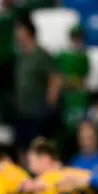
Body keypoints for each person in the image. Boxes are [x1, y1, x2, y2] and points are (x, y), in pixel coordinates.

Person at [14, 16, 62, 153]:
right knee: (22, 149)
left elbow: (56, 79)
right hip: (23, 111)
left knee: (39, 150)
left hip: (37, 113)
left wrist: (49, 104)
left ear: (27, 31)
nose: (16, 34)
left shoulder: (41, 55)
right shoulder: (21, 55)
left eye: (19, 30)